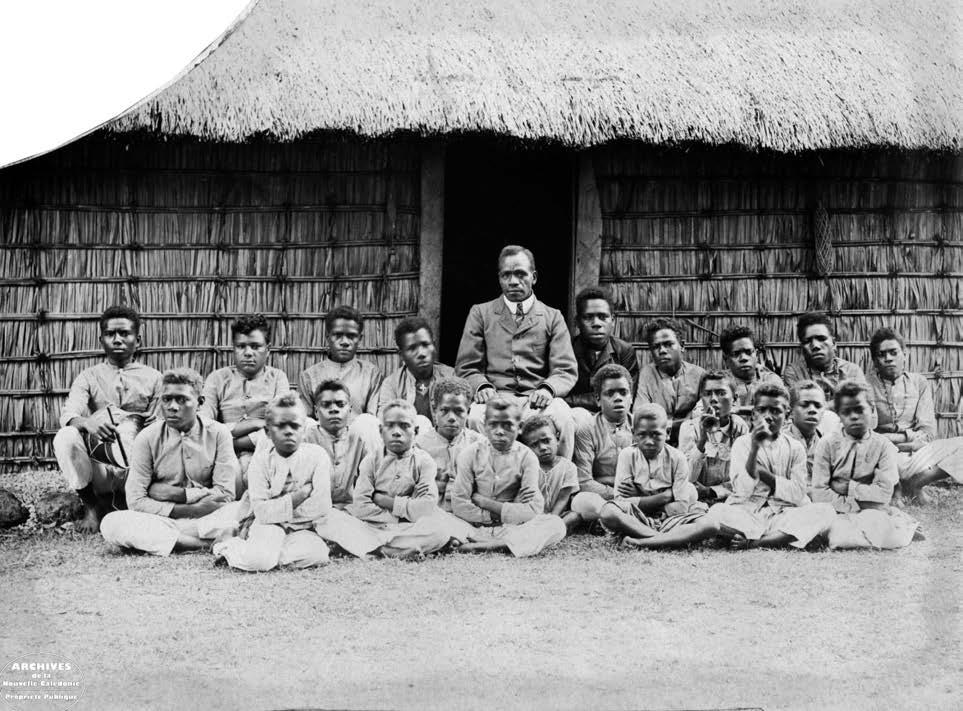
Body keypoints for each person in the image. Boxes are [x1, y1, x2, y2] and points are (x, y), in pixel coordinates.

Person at [622, 384, 836, 550]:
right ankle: (651, 541)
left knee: (824, 511)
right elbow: (742, 490)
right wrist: (754, 449)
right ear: (754, 414)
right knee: (716, 513)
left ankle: (758, 543)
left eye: (776, 411)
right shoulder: (743, 444)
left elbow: (797, 493)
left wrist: (765, 475)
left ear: (787, 414)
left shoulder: (795, 447)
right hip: (746, 513)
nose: (768, 417)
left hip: (782, 514)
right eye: (762, 410)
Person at [100, 369, 242, 555]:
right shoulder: (147, 438)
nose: (172, 407)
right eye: (166, 399)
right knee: (111, 523)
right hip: (162, 518)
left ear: (200, 403)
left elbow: (224, 494)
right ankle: (202, 544)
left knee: (240, 510)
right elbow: (135, 500)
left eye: (182, 400)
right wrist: (187, 501)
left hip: (209, 518)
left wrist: (164, 492)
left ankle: (169, 541)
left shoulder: (218, 433)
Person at [455, 245, 578, 458]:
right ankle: (489, 473)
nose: (513, 281)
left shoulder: (552, 316)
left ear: (534, 277)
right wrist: (482, 386)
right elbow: (466, 366)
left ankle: (558, 473)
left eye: (520, 274)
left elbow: (565, 369)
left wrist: (548, 389)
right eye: (506, 275)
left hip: (536, 399)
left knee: (564, 417)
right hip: (496, 398)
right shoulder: (481, 313)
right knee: (475, 416)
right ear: (499, 278)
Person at [53, 305, 163, 533]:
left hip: (139, 467)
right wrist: (88, 422)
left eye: (124, 333)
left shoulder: (154, 378)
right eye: (110, 334)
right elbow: (69, 414)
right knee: (66, 436)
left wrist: (149, 424)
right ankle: (91, 506)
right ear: (101, 340)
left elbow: (162, 423)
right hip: (100, 466)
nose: (117, 339)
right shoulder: (88, 376)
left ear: (137, 340)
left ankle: (141, 503)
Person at [212, 393, 333, 571]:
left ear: (304, 429)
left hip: (302, 528)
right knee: (259, 560)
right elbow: (261, 512)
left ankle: (256, 553)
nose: (289, 431)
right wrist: (299, 496)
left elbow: (321, 507)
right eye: (281, 426)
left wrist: (276, 508)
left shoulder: (317, 456)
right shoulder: (260, 461)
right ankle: (227, 546)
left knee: (318, 554)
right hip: (269, 526)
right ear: (268, 432)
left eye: (295, 425)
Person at [342, 400, 459, 559]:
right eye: (390, 426)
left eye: (404, 426)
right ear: (380, 431)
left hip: (410, 527)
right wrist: (401, 514)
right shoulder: (371, 461)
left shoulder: (424, 462)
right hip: (374, 525)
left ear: (415, 431)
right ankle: (391, 550)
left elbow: (425, 507)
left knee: (440, 530)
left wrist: (384, 500)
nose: (396, 432)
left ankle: (378, 548)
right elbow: (361, 506)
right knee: (336, 520)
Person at [450, 398, 567, 556]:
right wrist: (497, 513)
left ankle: (489, 546)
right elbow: (459, 504)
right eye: (493, 424)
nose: (499, 431)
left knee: (555, 524)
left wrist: (486, 503)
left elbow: (533, 509)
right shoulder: (469, 454)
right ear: (485, 426)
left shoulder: (528, 457)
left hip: (513, 529)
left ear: (519, 427)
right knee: (438, 518)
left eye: (507, 425)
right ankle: (504, 544)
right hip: (472, 526)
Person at [810, 380, 920, 549]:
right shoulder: (827, 444)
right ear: (839, 415)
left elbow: (884, 494)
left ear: (872, 409)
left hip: (872, 513)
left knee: (885, 531)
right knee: (835, 531)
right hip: (835, 509)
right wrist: (855, 504)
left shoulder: (883, 446)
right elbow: (819, 493)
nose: (854, 416)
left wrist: (850, 488)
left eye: (860, 410)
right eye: (846, 412)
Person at [865, 327, 963, 503]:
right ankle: (894, 488)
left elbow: (928, 432)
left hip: (916, 454)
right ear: (874, 361)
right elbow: (867, 435)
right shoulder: (865, 385)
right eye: (881, 354)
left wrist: (900, 441)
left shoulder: (919, 383)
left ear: (904, 354)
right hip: (881, 457)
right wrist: (908, 438)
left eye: (893, 352)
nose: (888, 358)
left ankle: (915, 484)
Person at [200, 314, 290, 492]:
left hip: (266, 452)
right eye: (241, 346)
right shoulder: (217, 378)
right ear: (233, 349)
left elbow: (281, 424)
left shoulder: (277, 378)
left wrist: (230, 438)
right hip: (224, 455)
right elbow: (204, 424)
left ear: (268, 349)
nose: (248, 353)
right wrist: (256, 423)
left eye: (255, 346)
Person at [596, 404, 702, 539]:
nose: (649, 442)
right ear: (633, 434)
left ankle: (645, 539)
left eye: (656, 434)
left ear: (668, 433)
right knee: (608, 512)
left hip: (669, 518)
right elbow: (620, 500)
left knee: (710, 524)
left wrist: (640, 495)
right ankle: (659, 538)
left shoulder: (677, 458)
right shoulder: (627, 455)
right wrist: (665, 496)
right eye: (642, 435)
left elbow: (681, 507)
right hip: (636, 516)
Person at [298, 305, 383, 452]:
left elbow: (372, 418)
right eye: (337, 335)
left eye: (351, 336)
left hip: (358, 446)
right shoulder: (309, 376)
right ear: (328, 337)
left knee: (368, 421)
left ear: (360, 338)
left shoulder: (371, 373)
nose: (344, 342)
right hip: (321, 446)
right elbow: (306, 418)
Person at [565, 287, 639, 429]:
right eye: (588, 317)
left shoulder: (624, 351)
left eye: (603, 317)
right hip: (573, 421)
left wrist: (570, 400)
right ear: (577, 322)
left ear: (613, 320)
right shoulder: (566, 349)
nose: (596, 323)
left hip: (613, 422)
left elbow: (626, 397)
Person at [570, 364, 634, 524]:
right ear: (598, 399)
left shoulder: (641, 426)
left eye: (623, 392)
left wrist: (605, 479)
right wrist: (618, 493)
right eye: (610, 393)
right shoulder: (587, 429)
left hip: (637, 492)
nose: (618, 398)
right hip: (606, 497)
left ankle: (620, 516)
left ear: (631, 397)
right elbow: (584, 481)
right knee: (584, 501)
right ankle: (626, 513)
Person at [415, 377, 485, 512]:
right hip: (431, 514)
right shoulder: (419, 446)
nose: (452, 418)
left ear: (468, 412)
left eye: (459, 411)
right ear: (434, 410)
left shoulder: (480, 444)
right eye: (445, 410)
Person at [677, 371, 749, 503]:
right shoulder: (689, 428)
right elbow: (687, 479)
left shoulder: (740, 429)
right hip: (696, 502)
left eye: (721, 393)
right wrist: (702, 441)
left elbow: (743, 479)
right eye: (707, 394)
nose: (713, 399)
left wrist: (712, 491)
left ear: (734, 399)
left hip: (730, 500)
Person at [631, 318, 705, 446]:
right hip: (656, 443)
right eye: (656, 347)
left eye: (668, 344)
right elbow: (641, 416)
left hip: (692, 443)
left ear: (682, 346)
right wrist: (685, 422)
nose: (662, 351)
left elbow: (703, 417)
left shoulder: (699, 375)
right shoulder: (646, 375)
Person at [303, 380, 370, 508]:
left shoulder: (360, 440)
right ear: (316, 411)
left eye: (340, 404)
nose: (334, 409)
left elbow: (368, 484)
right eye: (326, 405)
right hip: (314, 509)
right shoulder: (306, 440)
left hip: (350, 509)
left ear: (350, 410)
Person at [376, 316, 454, 426]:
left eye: (426, 345)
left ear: (434, 345)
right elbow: (385, 422)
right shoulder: (391, 384)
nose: (421, 353)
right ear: (401, 355)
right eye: (412, 348)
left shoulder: (451, 377)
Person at [782, 312, 867, 398]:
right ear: (802, 348)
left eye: (821, 339)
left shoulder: (851, 371)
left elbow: (860, 403)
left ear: (834, 343)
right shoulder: (794, 372)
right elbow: (797, 404)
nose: (815, 346)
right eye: (807, 341)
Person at [520, 415, 581, 534]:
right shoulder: (528, 468)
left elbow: (563, 499)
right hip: (534, 515)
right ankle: (546, 531)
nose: (542, 448)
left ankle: (549, 529)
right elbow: (527, 499)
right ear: (528, 448)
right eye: (534, 445)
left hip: (558, 514)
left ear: (557, 439)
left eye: (546, 441)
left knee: (574, 516)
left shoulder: (568, 467)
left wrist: (552, 519)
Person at [718, 325, 784, 418]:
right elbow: (701, 411)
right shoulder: (718, 382)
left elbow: (780, 410)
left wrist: (736, 410)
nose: (744, 358)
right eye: (736, 354)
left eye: (748, 352)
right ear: (726, 358)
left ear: (756, 354)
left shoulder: (771, 380)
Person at [784, 380, 840, 480]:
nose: (812, 410)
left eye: (818, 406)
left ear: (823, 411)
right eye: (804, 405)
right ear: (790, 411)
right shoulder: (778, 444)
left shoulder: (829, 446)